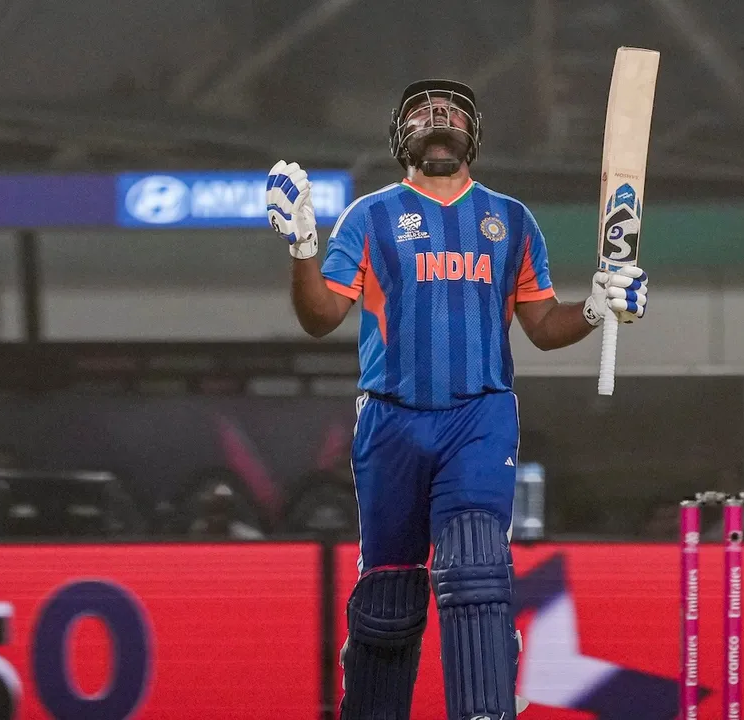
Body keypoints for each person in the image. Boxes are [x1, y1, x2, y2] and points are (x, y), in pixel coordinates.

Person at [266, 79, 650, 719]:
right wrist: (302, 247)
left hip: (480, 415)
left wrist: (595, 306)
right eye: (423, 111)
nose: (439, 117)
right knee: (389, 598)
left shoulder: (512, 220)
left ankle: (486, 705)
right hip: (389, 421)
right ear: (400, 137)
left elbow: (544, 327)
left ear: (472, 135)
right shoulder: (371, 215)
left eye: (451, 111)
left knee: (475, 568)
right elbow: (319, 317)